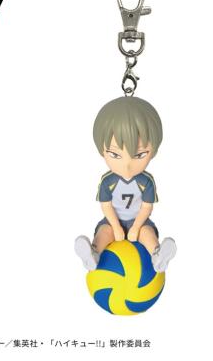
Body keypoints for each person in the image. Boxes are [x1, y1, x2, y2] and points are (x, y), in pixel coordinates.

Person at [75, 96, 177, 272]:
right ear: (102, 151)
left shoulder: (146, 181)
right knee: (105, 232)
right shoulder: (108, 181)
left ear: (153, 151)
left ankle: (158, 255)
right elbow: (106, 206)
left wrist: (136, 227)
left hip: (140, 222)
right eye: (115, 155)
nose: (127, 165)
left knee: (146, 233)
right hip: (112, 221)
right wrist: (116, 226)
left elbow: (146, 207)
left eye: (139, 155)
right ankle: (93, 254)